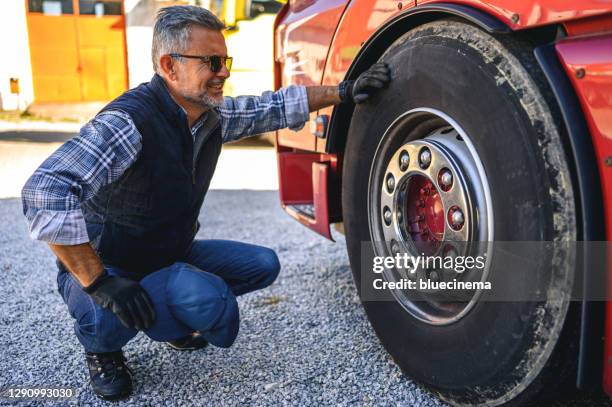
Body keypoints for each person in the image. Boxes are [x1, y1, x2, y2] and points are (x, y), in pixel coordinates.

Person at [21, 5, 391, 401]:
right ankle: (103, 350)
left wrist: (345, 91)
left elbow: (273, 107)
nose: (225, 72)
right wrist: (99, 282)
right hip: (113, 263)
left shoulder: (208, 115)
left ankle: (170, 318)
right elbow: (45, 191)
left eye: (225, 60)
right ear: (169, 65)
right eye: (212, 61)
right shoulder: (128, 124)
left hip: (165, 254)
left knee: (262, 265)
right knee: (113, 314)